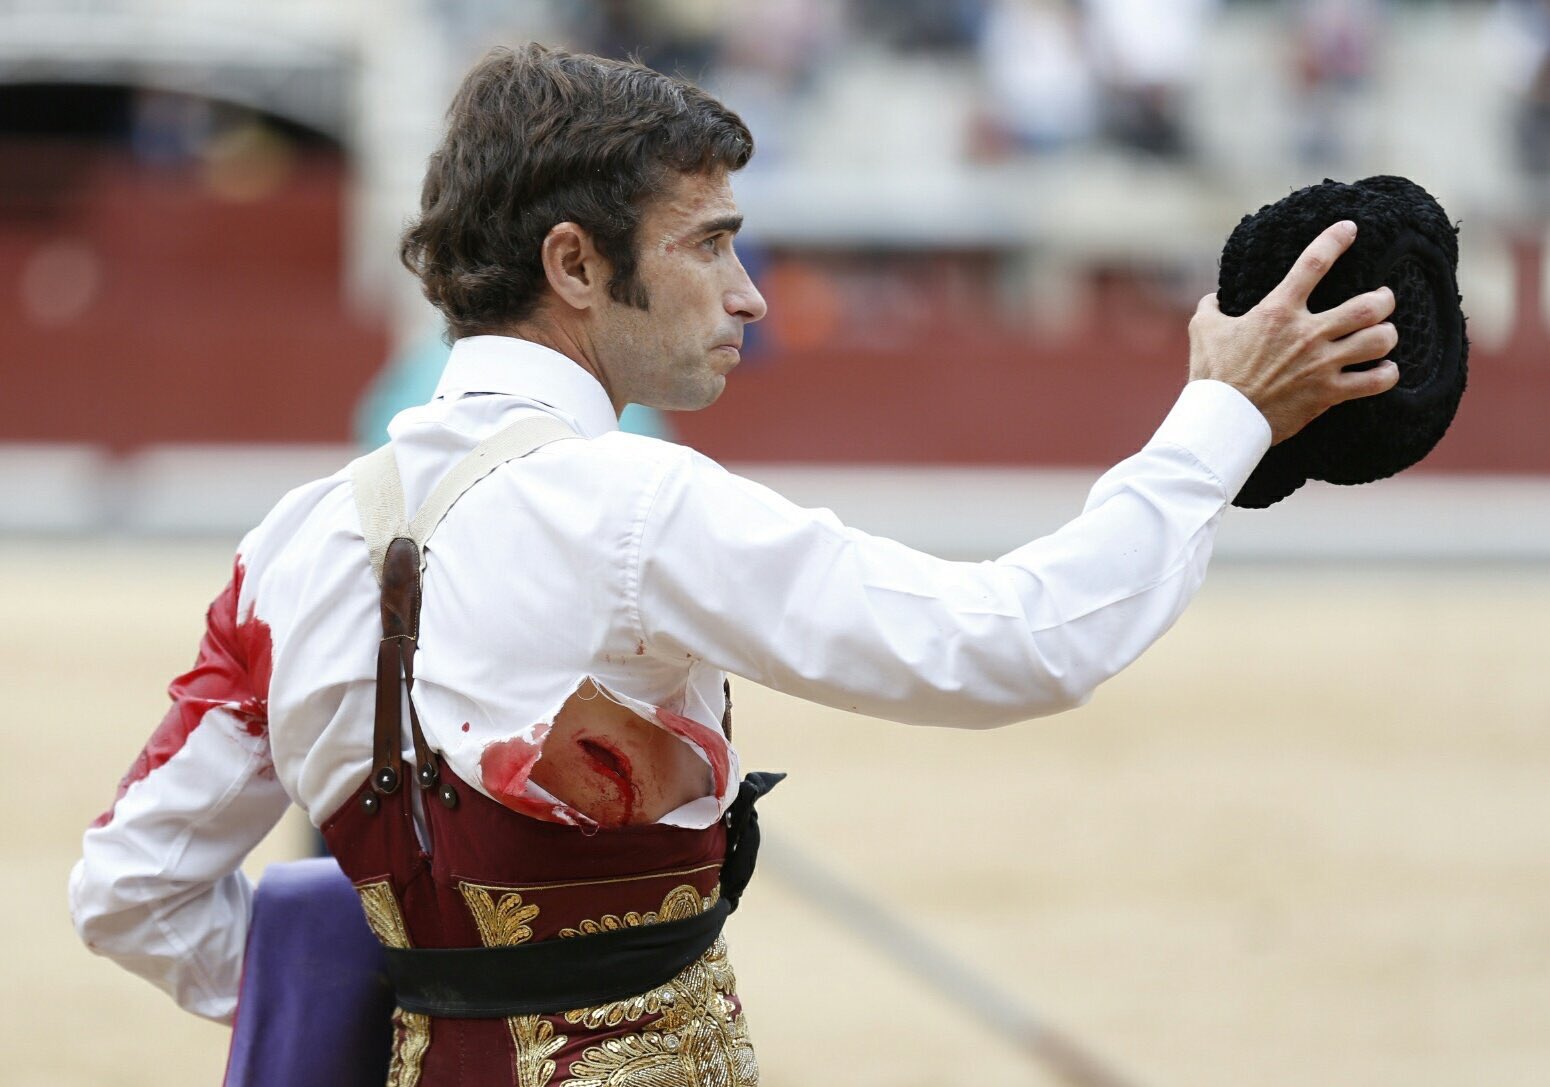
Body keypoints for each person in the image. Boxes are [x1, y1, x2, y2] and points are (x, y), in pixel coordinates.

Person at [69, 43, 1399, 1086]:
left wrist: (394, 1001)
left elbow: (130, 890)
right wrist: (1223, 414)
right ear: (575, 265)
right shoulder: (633, 508)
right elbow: (1018, 641)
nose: (750, 293)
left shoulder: (288, 546)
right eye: (707, 242)